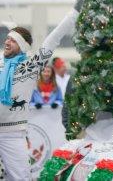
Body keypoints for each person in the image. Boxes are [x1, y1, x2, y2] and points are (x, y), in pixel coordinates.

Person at [0, 10, 77, 180]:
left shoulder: (31, 66)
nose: (7, 42)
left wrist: (74, 14)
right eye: (7, 38)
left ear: (23, 46)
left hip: (12, 134)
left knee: (21, 177)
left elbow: (53, 39)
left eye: (13, 40)